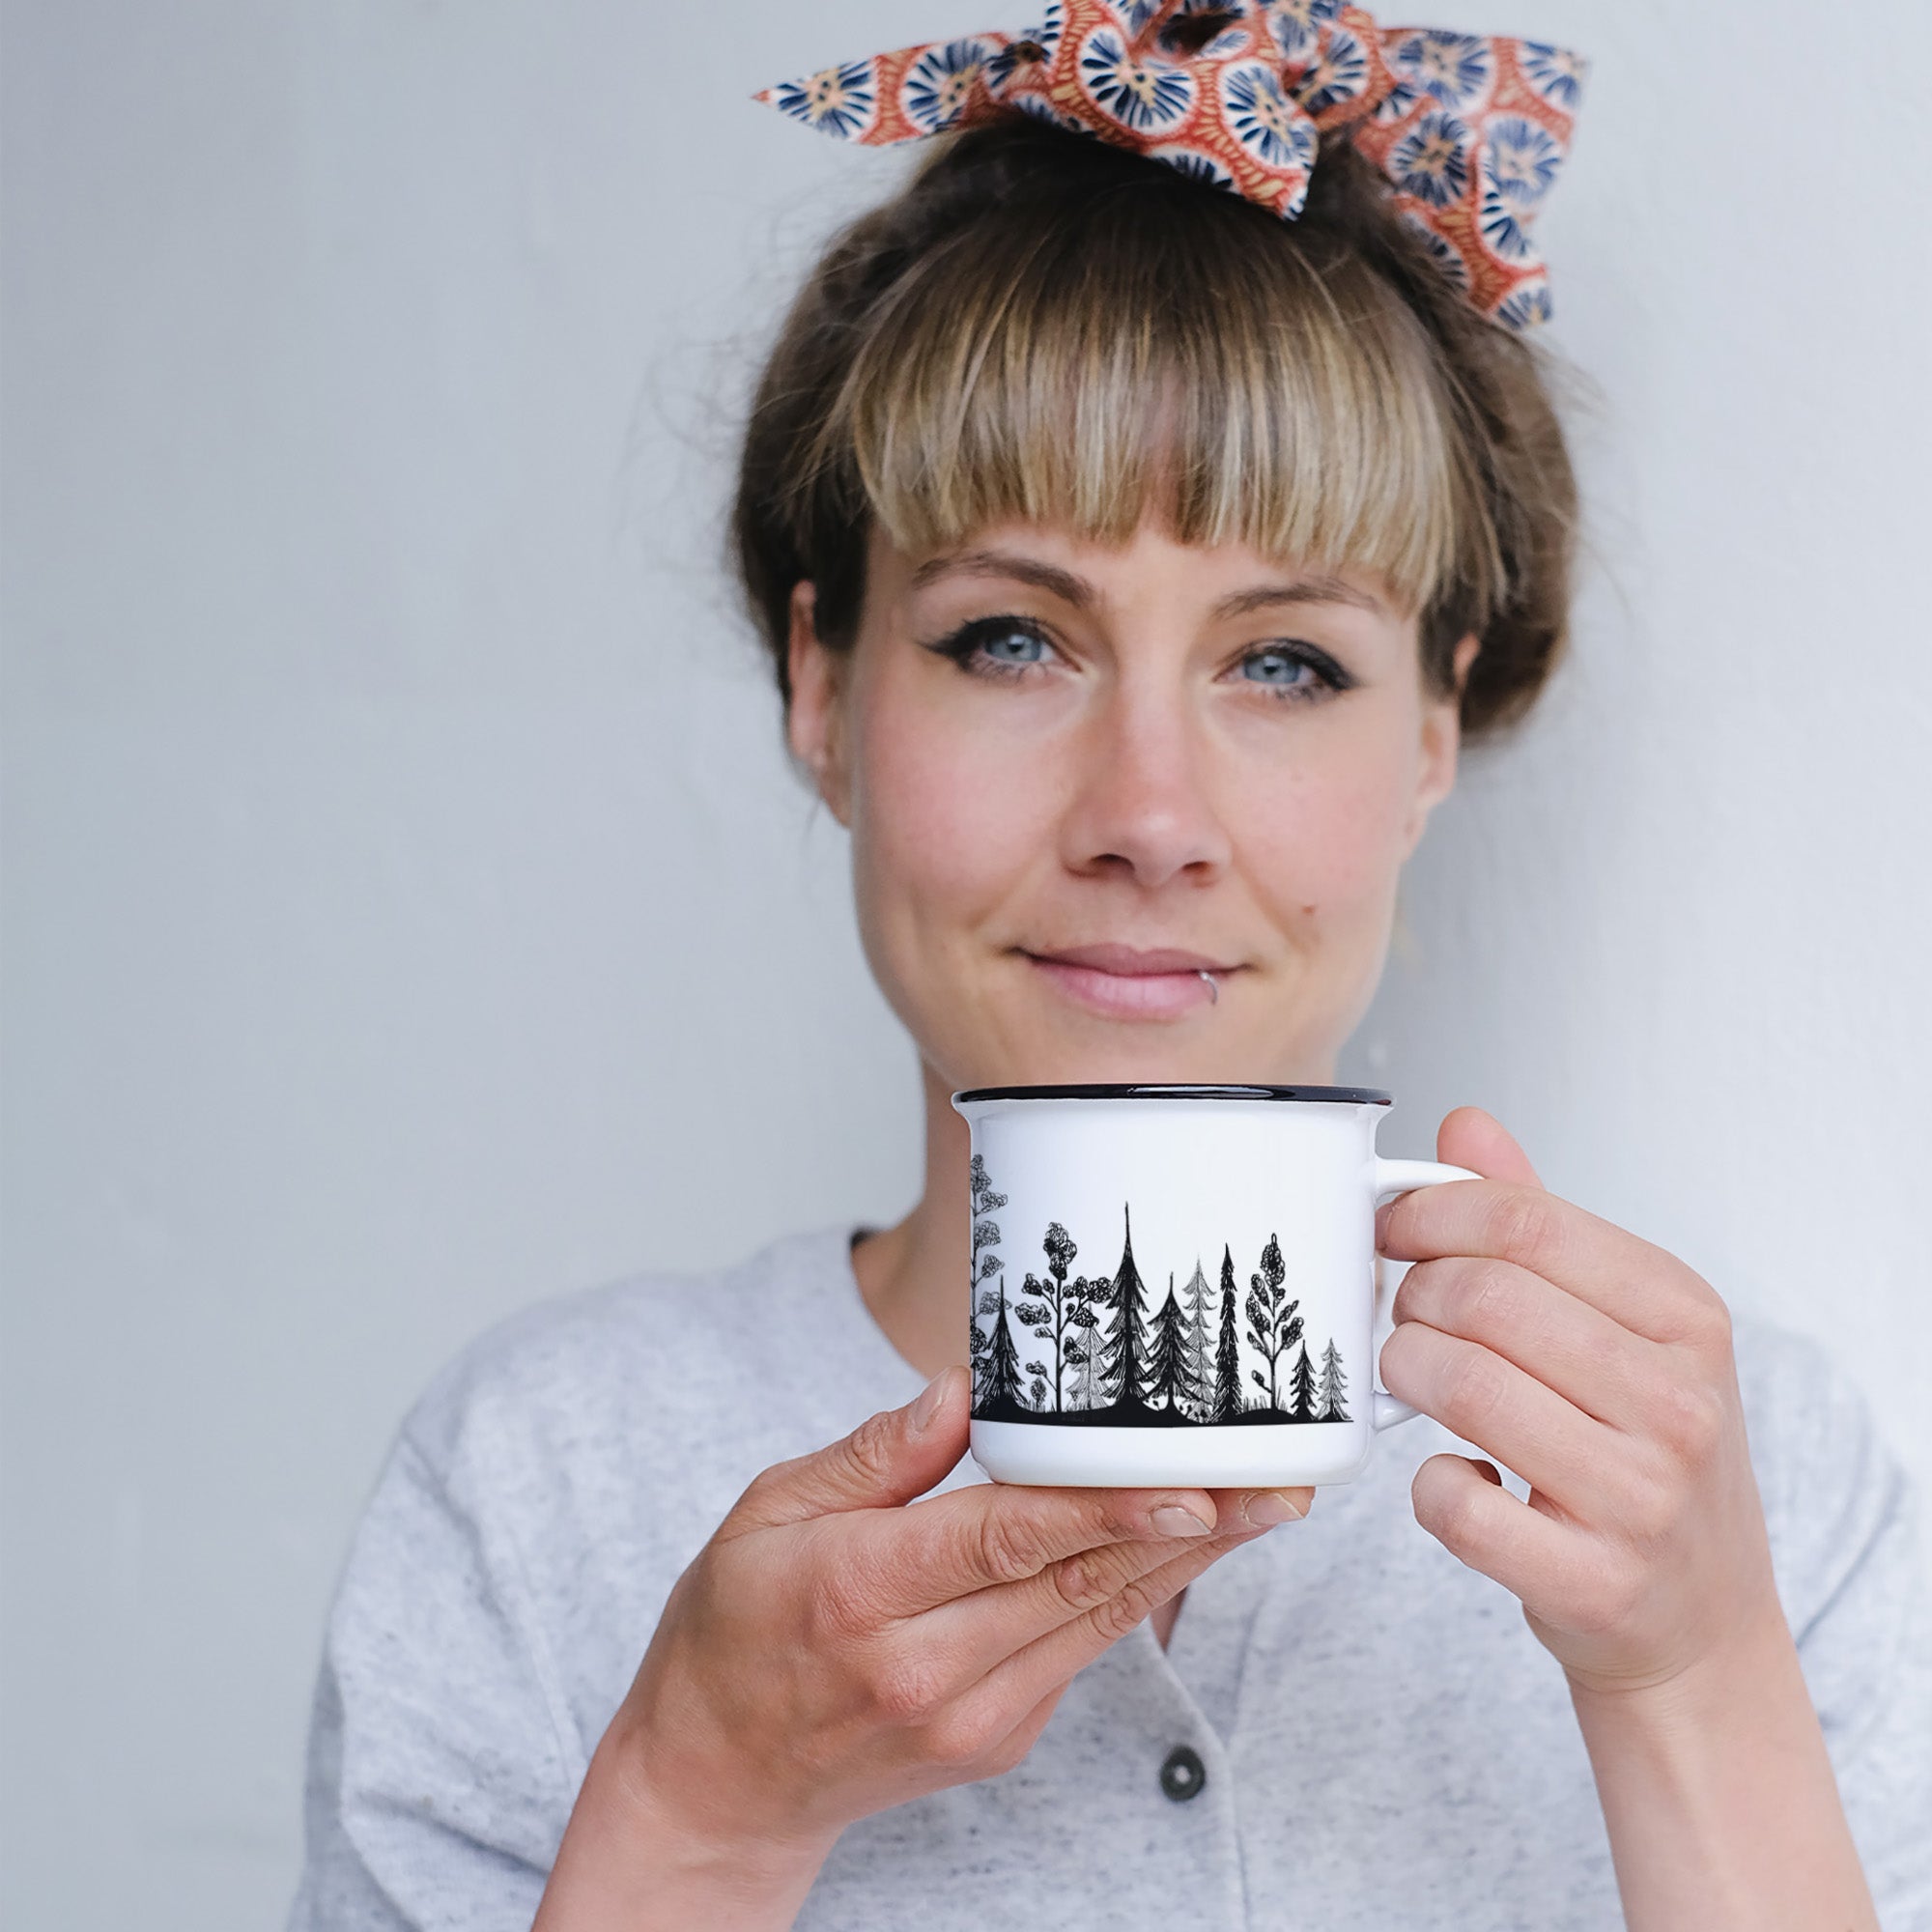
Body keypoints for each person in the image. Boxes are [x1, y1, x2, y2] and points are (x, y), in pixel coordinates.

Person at [287, 13, 1932, 1930]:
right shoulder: (536, 1486)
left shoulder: (1746, 1489)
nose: (1149, 814)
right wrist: (698, 1807)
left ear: (1429, 738)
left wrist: (1692, 1682)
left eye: (1285, 661)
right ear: (822, 686)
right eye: (1010, 638)